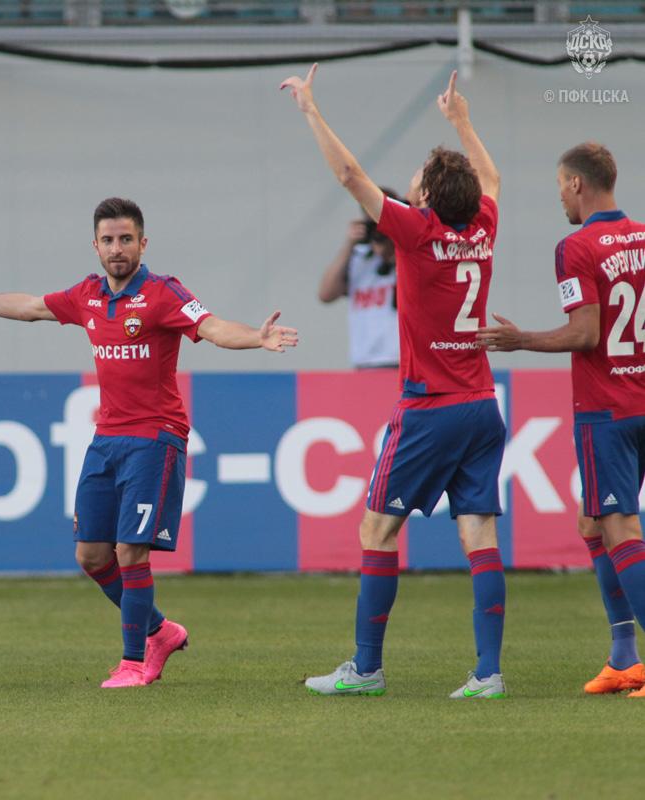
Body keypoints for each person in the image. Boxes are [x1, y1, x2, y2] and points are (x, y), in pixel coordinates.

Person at [0, 197, 297, 688]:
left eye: (125, 239)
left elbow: (212, 327)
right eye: (108, 240)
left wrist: (255, 337)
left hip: (154, 437)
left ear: (143, 243)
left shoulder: (164, 293)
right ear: (95, 246)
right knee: (91, 556)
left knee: (130, 551)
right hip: (107, 439)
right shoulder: (88, 294)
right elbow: (32, 307)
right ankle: (160, 631)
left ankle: (134, 662)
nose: (117, 248)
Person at [282, 66, 508, 698]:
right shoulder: (483, 227)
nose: (409, 184)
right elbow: (491, 179)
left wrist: (310, 109)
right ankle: (489, 674)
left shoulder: (417, 232)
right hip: (482, 405)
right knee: (480, 535)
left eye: (417, 179)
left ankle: (366, 669)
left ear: (428, 197)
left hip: (430, 409)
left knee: (376, 531)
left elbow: (350, 176)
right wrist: (462, 121)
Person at [477, 142, 645, 697]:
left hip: (606, 409)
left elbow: (586, 332)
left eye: (559, 187)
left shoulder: (577, 246)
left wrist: (519, 339)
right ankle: (624, 657)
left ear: (577, 183)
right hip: (640, 400)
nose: (560, 198)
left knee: (619, 528)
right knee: (592, 524)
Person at [318, 191, 400, 369]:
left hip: (401, 360)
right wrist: (349, 244)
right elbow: (326, 294)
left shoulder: (409, 253)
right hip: (365, 360)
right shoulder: (358, 256)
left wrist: (395, 246)